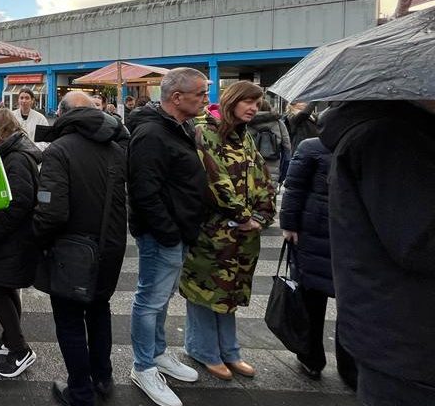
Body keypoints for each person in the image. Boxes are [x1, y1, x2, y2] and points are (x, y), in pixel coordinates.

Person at [319, 100, 435, 405]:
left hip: (400, 331)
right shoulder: (391, 139)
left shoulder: (398, 134)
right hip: (407, 335)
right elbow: (420, 242)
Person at [33, 91, 129, 406]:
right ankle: (103, 378)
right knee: (99, 311)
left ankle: (80, 391)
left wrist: (37, 238)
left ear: (62, 114)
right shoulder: (115, 147)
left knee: (70, 321)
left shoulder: (59, 150)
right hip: (110, 245)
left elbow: (52, 211)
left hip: (73, 251)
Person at [125, 68, 210, 406]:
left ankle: (157, 353)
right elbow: (145, 192)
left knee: (160, 299)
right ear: (177, 98)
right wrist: (170, 233)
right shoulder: (151, 133)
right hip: (163, 235)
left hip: (176, 231)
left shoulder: (179, 127)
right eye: (201, 94)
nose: (206, 99)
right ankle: (143, 366)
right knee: (150, 300)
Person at [180, 81, 275, 381]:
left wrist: (262, 215)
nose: (253, 109)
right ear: (233, 100)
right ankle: (204, 350)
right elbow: (214, 178)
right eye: (248, 102)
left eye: (257, 104)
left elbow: (262, 176)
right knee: (205, 289)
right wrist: (243, 216)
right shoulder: (205, 131)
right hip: (212, 229)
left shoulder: (243, 135)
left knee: (230, 290)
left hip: (241, 232)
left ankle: (230, 351)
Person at [279, 132, 356, 385]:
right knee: (311, 298)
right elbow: (294, 188)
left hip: (353, 237)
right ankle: (310, 356)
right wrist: (289, 225)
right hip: (313, 234)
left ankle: (350, 364)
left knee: (352, 304)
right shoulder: (312, 147)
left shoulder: (370, 146)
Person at [0, 108, 42, 379]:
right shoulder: (19, 152)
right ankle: (9, 338)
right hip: (16, 237)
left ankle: (19, 349)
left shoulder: (16, 158)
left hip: (12, 238)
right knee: (3, 285)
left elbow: (20, 201)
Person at [247, 100, 290, 186]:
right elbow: (287, 149)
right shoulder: (278, 123)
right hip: (273, 168)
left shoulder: (246, 122)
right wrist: (282, 176)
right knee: (269, 194)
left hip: (249, 166)